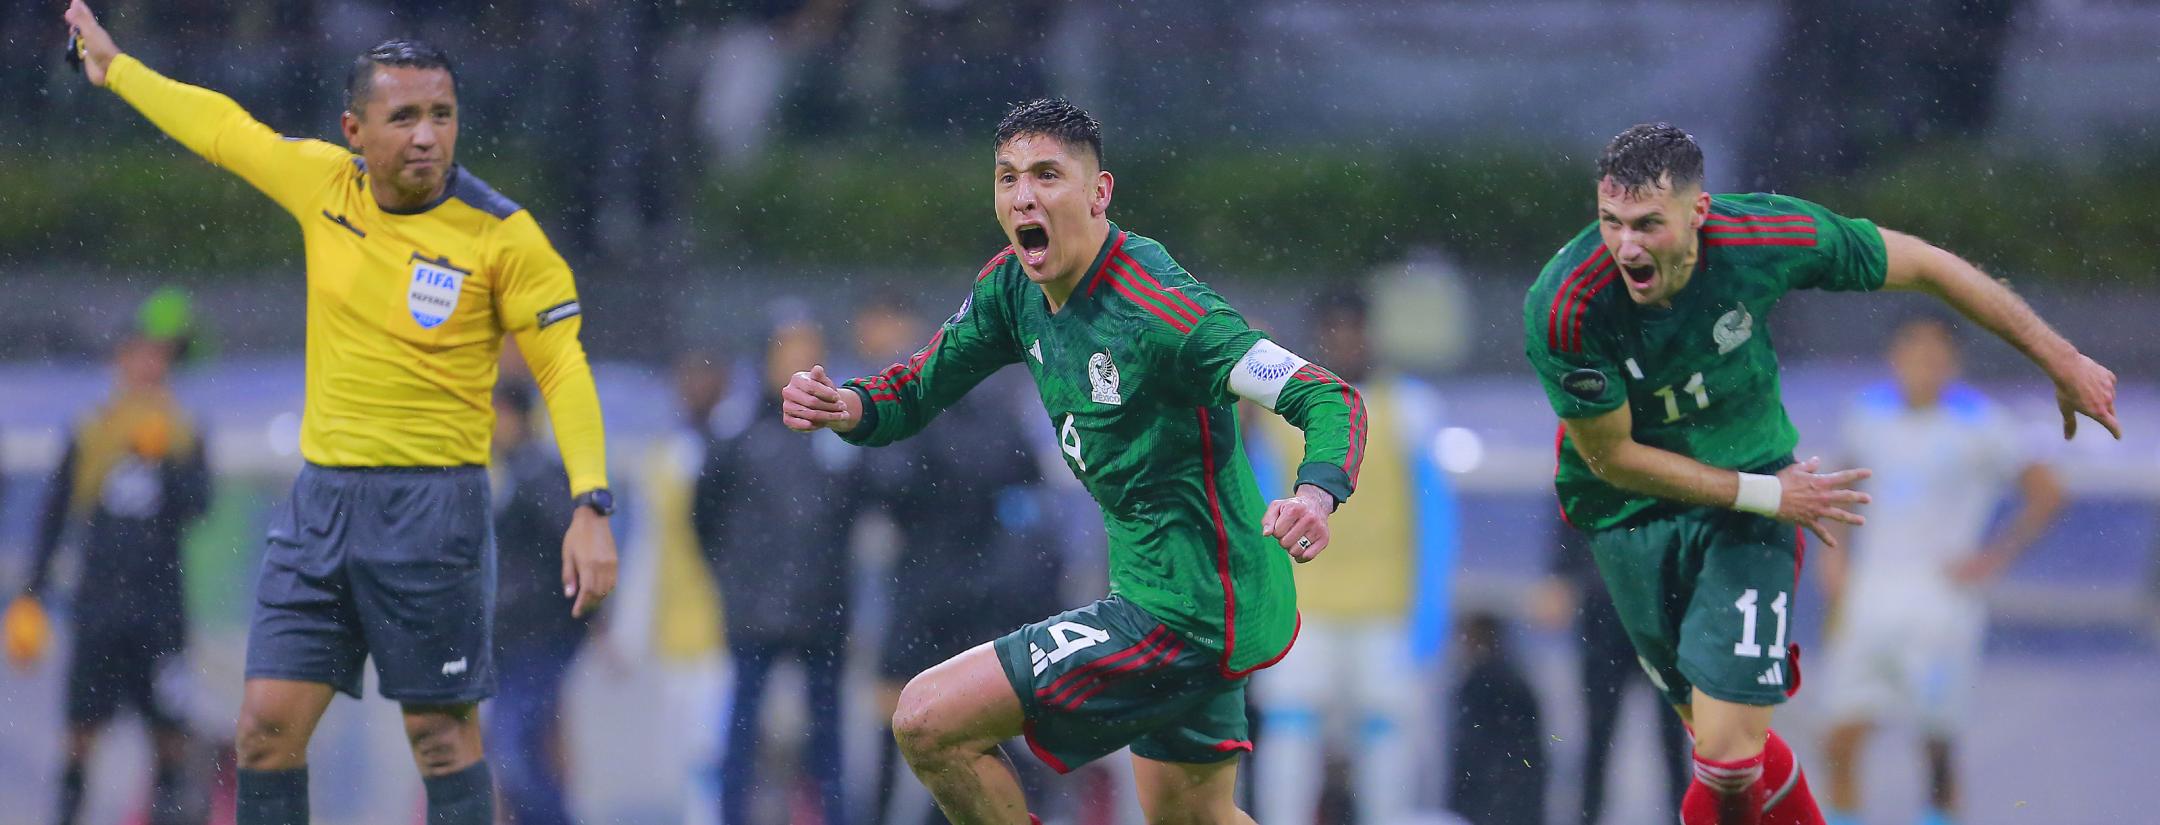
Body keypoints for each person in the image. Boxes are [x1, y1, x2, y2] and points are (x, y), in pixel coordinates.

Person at [61, 5, 619, 823]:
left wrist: (590, 501)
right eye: (405, 117)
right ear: (355, 129)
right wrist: (120, 71)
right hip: (321, 505)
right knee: (264, 731)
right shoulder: (324, 183)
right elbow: (224, 128)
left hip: (436, 511)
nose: (427, 135)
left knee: (438, 735)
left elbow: (563, 366)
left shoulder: (505, 237)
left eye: (442, 115)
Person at [780, 98, 1367, 825]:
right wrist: (853, 405)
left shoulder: (1162, 310)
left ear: (1099, 193)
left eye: (1047, 175)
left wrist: (1315, 493)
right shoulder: (1014, 288)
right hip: (1192, 594)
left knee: (927, 719)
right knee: (1195, 818)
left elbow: (1326, 394)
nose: (1023, 194)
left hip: (1188, 610)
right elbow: (921, 384)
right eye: (1007, 177)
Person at [1520, 123, 2118, 825]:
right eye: (1611, 223)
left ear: (1699, 212)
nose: (1627, 246)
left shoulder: (1762, 238)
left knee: (1728, 755)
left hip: (1757, 500)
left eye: (1649, 224)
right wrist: (1771, 494)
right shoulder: (1567, 306)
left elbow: (1925, 263)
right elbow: (1609, 457)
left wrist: (2062, 358)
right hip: (1630, 514)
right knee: (1733, 755)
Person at [1815, 314, 2064, 825]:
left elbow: (2047, 490)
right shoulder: (1867, 414)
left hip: (1941, 602)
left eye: (1935, 355)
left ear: (1952, 362)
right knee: (1841, 732)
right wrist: (1833, 555)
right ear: (1895, 357)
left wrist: (1995, 556)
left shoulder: (1981, 423)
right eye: (1913, 352)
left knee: (1934, 742)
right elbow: (1837, 487)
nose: (1923, 365)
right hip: (1871, 595)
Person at [1245, 285, 1454, 825]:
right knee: (1291, 731)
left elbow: (1435, 522)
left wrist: (1430, 615)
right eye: (1334, 331)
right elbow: (1261, 509)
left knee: (1386, 737)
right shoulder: (1281, 414)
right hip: (1303, 608)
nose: (1344, 341)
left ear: (1371, 335)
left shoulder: (1410, 410)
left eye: (1352, 330)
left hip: (1386, 608)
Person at [847, 296, 1058, 825]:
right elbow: (1026, 482)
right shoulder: (995, 405)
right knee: (967, 729)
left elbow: (883, 486)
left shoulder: (917, 408)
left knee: (904, 728)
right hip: (974, 595)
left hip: (930, 591)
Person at [6, 335, 211, 825]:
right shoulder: (90, 431)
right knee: (80, 732)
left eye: (157, 357)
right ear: (119, 362)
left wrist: (168, 461)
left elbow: (198, 506)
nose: (148, 367)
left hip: (161, 610)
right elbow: (55, 517)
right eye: (138, 356)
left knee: (170, 736)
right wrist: (31, 595)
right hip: (99, 607)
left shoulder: (185, 433)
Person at [695, 314, 857, 825]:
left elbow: (860, 509)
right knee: (741, 733)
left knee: (826, 736)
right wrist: (735, 579)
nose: (800, 366)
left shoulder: (842, 435)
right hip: (754, 610)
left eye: (810, 353)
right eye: (789, 353)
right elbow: (704, 516)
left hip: (823, 608)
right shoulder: (739, 435)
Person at [1530, 517, 1689, 824]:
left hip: (1661, 612)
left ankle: (1680, 817)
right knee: (1598, 738)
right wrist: (1561, 574)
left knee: (1673, 740)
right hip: (1609, 611)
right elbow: (1574, 503)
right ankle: (1588, 817)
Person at [488, 379, 592, 825]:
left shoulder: (538, 476)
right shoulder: (512, 474)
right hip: (518, 640)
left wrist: (579, 618)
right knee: (527, 748)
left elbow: (577, 549)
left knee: (512, 748)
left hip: (538, 637)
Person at [1447, 612, 1547, 825]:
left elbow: (1470, 748)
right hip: (1517, 794)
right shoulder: (1517, 679)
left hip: (1491, 794)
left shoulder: (1479, 683)